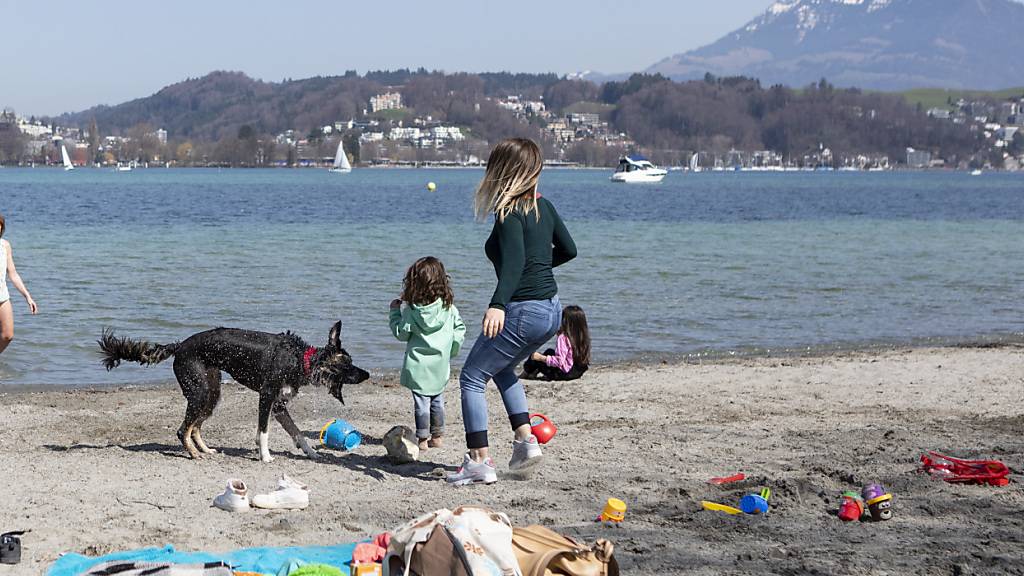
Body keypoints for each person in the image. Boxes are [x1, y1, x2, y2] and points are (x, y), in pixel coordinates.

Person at [447, 138, 577, 486]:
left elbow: (516, 263)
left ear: (501, 172)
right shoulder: (543, 207)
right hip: (551, 311)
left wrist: (498, 303)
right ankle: (524, 441)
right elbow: (569, 249)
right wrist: (538, 271)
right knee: (502, 367)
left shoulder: (508, 214)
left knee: (472, 377)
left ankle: (478, 461)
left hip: (521, 310)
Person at [389, 256, 466, 451]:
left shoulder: (412, 312)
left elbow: (401, 333)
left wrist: (394, 313)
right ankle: (437, 436)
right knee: (437, 399)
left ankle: (422, 439)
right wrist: (452, 349)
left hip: (418, 364)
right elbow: (460, 330)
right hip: (440, 363)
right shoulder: (449, 308)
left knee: (421, 402)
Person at [0, 213, 38, 357]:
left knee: (7, 335)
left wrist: (28, 297)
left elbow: (13, 274)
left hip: (2, 296)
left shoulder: (5, 245)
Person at [521, 305, 590, 381]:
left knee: (534, 357)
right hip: (577, 372)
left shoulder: (563, 337)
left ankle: (526, 373)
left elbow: (559, 361)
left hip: (563, 374)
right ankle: (533, 372)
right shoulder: (582, 336)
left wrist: (541, 358)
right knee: (549, 351)